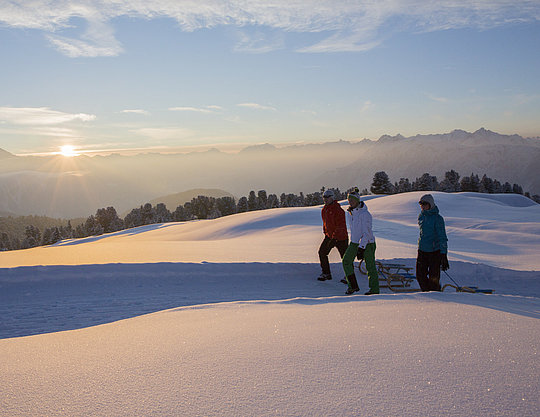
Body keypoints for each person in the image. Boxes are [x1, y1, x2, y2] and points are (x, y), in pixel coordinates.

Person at [342, 188, 379, 295]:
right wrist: (355, 244)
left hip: (368, 243)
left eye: (352, 200)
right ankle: (352, 286)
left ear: (357, 200)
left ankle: (374, 290)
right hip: (354, 243)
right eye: (349, 200)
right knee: (346, 261)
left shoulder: (365, 214)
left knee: (370, 266)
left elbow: (366, 233)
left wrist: (361, 248)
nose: (350, 202)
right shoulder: (350, 213)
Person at [416, 194, 449, 291]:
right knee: (420, 276)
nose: (422, 206)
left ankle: (435, 295)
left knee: (433, 278)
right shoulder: (421, 216)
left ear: (430, 204)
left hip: (435, 251)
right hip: (422, 250)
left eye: (425, 204)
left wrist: (443, 254)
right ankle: (427, 293)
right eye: (421, 204)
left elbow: (442, 236)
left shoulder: (438, 218)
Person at [317, 189, 349, 281]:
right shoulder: (324, 210)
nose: (325, 199)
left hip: (341, 238)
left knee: (345, 258)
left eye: (327, 197)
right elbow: (325, 223)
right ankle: (326, 273)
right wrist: (326, 233)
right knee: (322, 253)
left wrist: (334, 238)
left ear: (332, 198)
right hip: (329, 237)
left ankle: (349, 276)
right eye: (324, 198)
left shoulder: (338, 210)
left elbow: (340, 226)